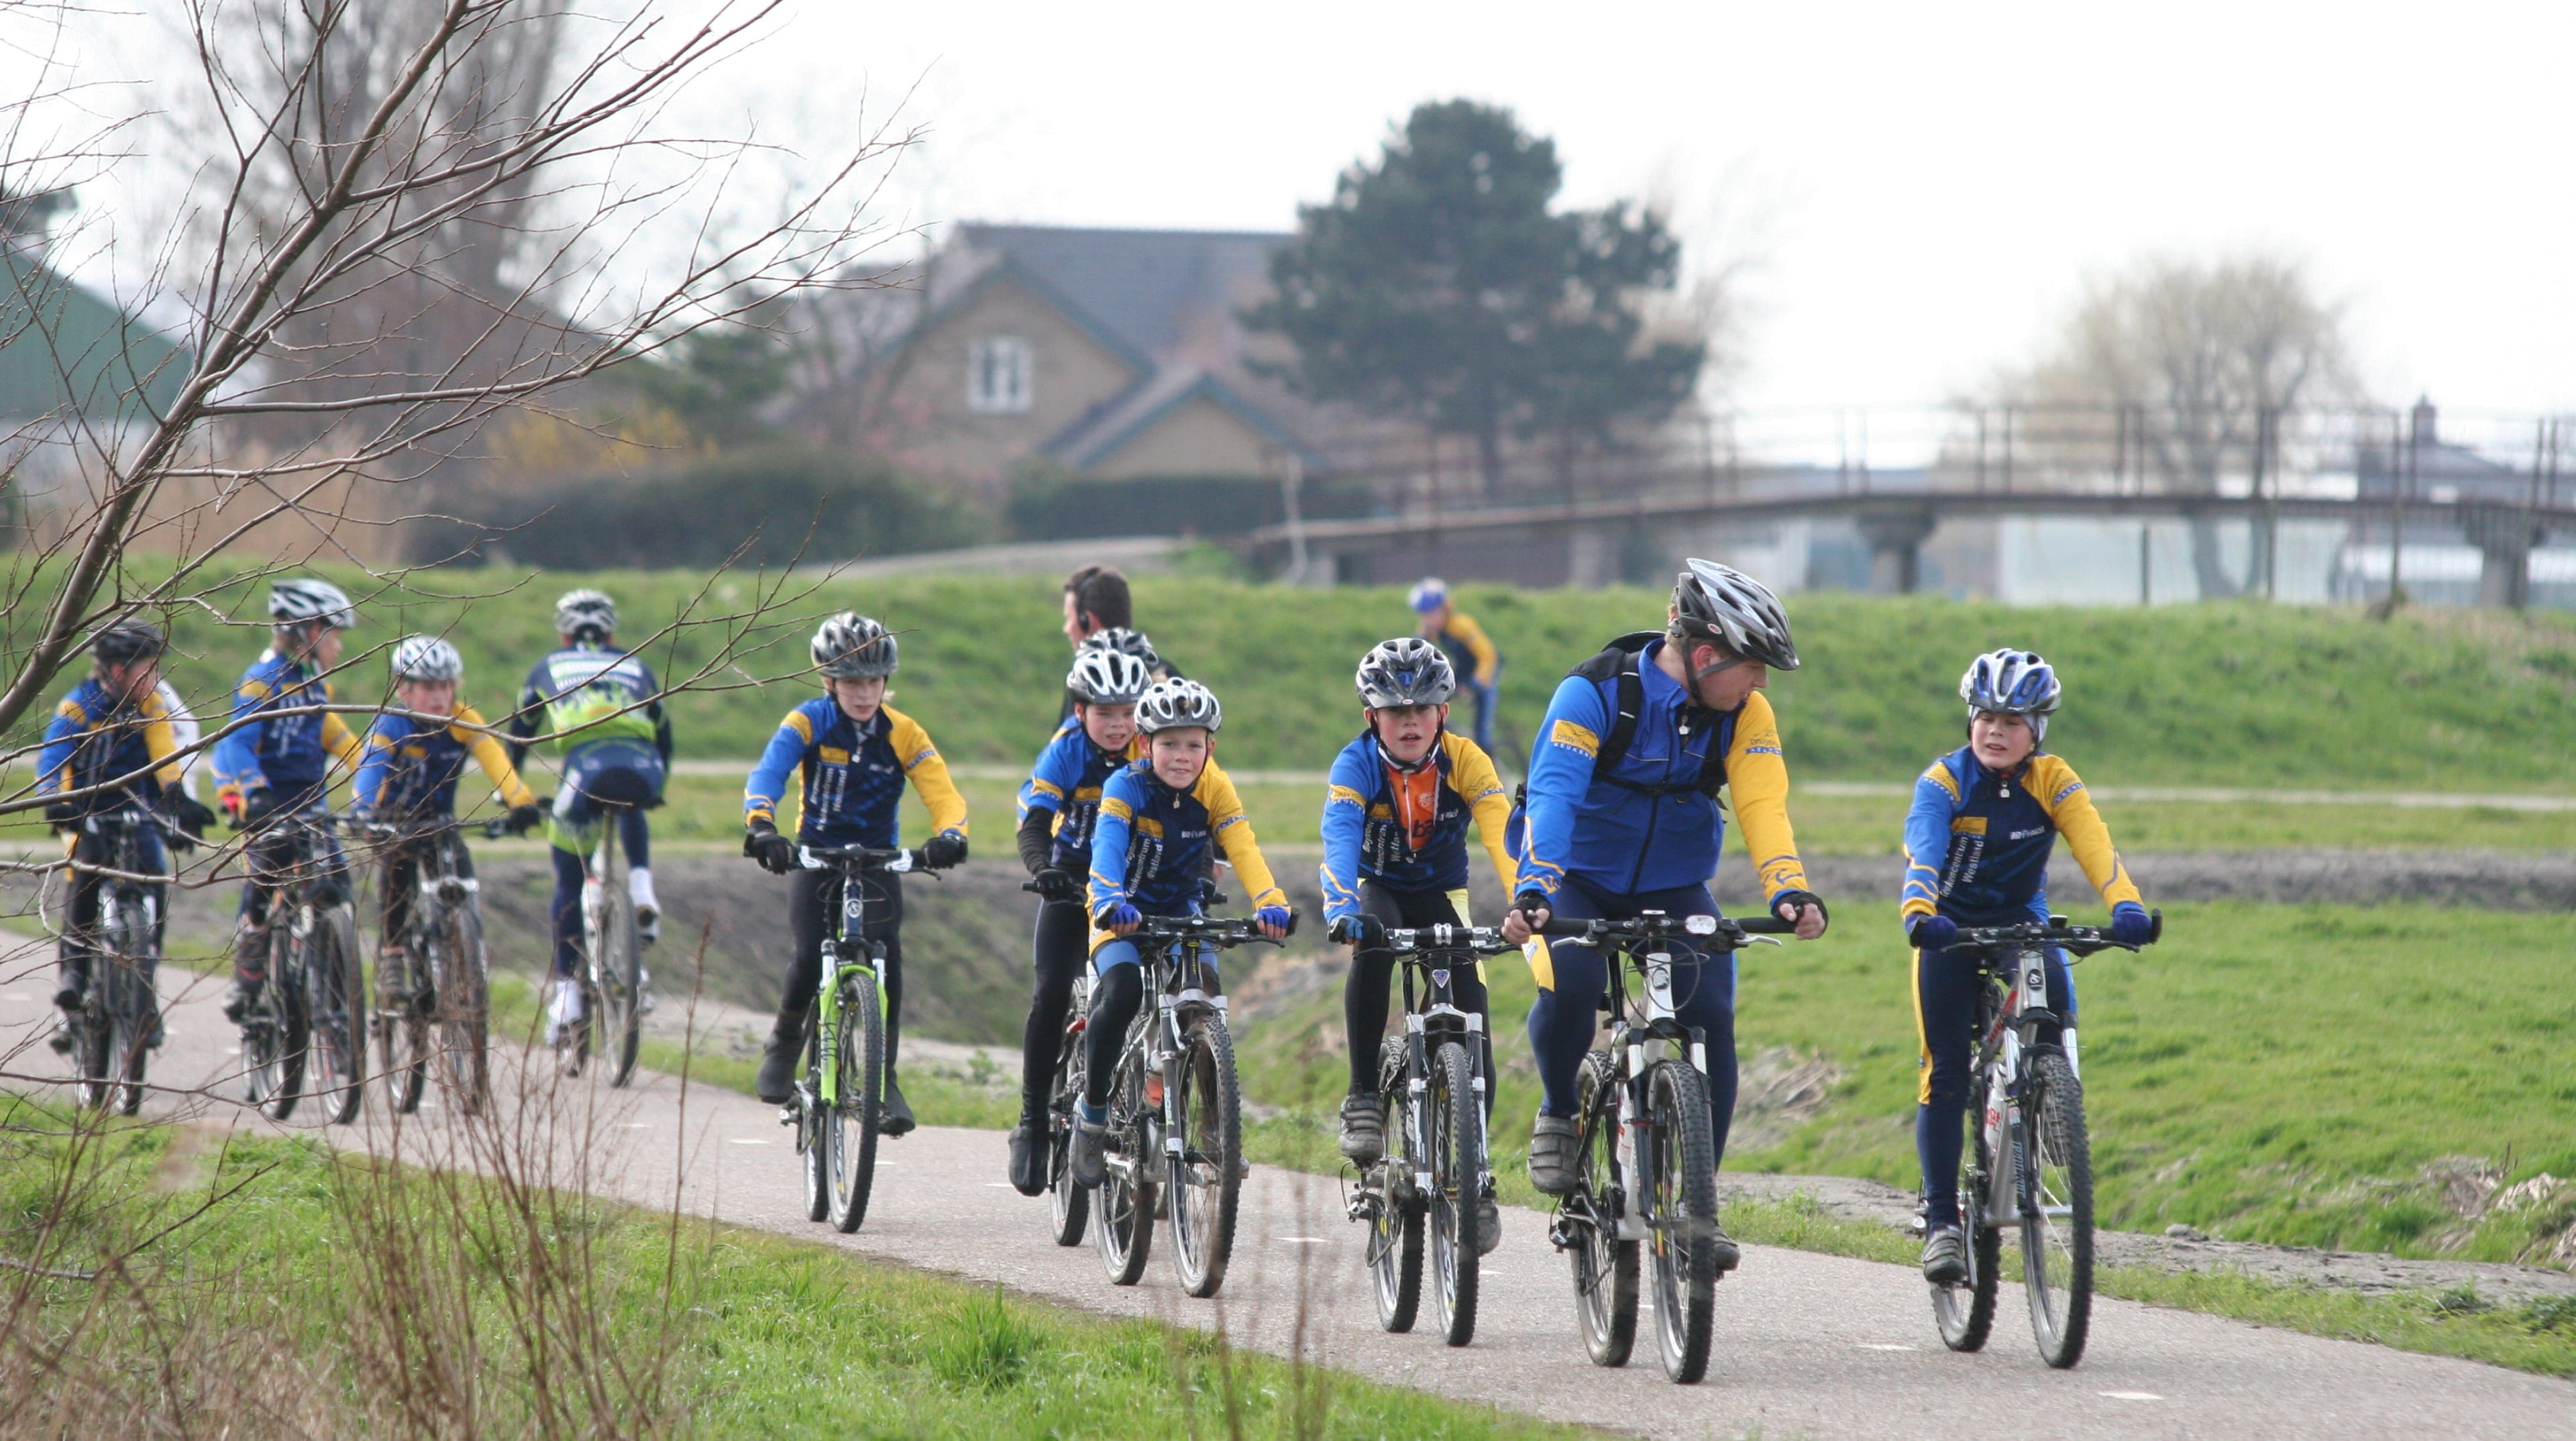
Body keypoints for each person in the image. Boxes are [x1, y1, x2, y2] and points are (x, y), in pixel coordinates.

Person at [1501, 559, 1828, 1274]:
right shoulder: (1594, 693)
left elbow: (1762, 805)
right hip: (1574, 875)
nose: (1762, 683)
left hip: (1674, 882)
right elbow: (1553, 799)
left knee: (1711, 1005)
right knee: (1574, 981)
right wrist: (1537, 889)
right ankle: (1560, 1108)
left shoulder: (1744, 713)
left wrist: (1788, 889)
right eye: (1755, 667)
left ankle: (1693, 1203)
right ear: (1707, 657)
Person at [1902, 648, 2155, 1287]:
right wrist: (1920, 908)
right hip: (1949, 926)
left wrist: (2125, 903)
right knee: (1946, 1072)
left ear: (2037, 732)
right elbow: (1924, 847)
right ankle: (1941, 1225)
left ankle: (2052, 1099)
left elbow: (2092, 839)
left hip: (2022, 917)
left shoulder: (2052, 778)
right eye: (1986, 715)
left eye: (2013, 721)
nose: (1996, 729)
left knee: (2054, 998)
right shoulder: (1944, 781)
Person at [1320, 637, 1517, 1251]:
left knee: (1475, 1031)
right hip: (1378, 890)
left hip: (1442, 894)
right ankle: (1362, 1097)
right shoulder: (1356, 765)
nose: (1409, 722)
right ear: (1370, 716)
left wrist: (1531, 900)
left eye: (1422, 709)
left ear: (1444, 713)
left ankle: (1474, 1181)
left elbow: (1504, 840)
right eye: (1395, 711)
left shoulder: (1468, 761)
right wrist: (1341, 907)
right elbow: (1340, 836)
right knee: (1372, 950)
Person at [743, 613, 969, 1134]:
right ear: (829, 682)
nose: (864, 693)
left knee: (888, 954)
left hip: (877, 859)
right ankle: (783, 1043)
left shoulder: (904, 732)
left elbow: (941, 790)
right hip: (817, 855)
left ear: (886, 681)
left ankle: (882, 1075)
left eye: (873, 681)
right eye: (851, 682)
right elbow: (769, 773)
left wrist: (951, 834)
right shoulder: (808, 722)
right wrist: (762, 826)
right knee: (807, 955)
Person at [1067, 679, 1292, 1189]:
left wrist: (1270, 902)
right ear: (1146, 746)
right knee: (1121, 992)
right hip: (1119, 911)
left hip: (1183, 909)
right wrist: (1108, 901)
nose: (1182, 756)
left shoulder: (1216, 787)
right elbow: (1106, 849)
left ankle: (1215, 1132)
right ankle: (1094, 1113)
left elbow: (1244, 849)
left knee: (1204, 1000)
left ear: (1210, 748)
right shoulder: (1126, 785)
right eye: (1169, 744)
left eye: (1194, 744)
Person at [1006, 645, 1156, 1195]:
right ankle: (1032, 1122)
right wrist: (1043, 869)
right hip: (1072, 877)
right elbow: (1036, 822)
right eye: (1104, 712)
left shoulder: (1156, 748)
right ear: (1079, 711)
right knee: (1049, 993)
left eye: (1127, 712)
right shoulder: (1065, 752)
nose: (1118, 725)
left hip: (1141, 882)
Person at [506, 588, 674, 1047]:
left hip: (583, 772)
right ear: (612, 631)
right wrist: (661, 785)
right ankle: (642, 888)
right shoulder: (636, 663)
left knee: (567, 875)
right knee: (631, 802)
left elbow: (519, 736)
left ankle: (567, 997)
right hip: (644, 767)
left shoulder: (548, 667)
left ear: (563, 634)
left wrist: (514, 797)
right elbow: (664, 732)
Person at [38, 623, 214, 1048]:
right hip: (86, 810)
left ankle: (144, 991)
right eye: (147, 669)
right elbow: (52, 761)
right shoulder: (78, 708)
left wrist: (179, 803)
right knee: (84, 876)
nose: (155, 680)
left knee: (154, 880)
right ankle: (75, 977)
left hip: (136, 810)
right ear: (118, 670)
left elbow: (165, 759)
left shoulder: (151, 706)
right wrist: (57, 802)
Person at [213, 578, 366, 1024]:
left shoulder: (315, 685)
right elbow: (234, 744)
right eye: (334, 634)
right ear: (308, 632)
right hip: (267, 804)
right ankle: (251, 961)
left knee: (338, 887)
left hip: (311, 805)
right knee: (265, 877)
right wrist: (254, 792)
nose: (339, 645)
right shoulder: (261, 682)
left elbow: (336, 736)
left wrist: (377, 771)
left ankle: (333, 988)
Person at [351, 636, 546, 965]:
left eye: (446, 685)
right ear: (404, 689)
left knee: (461, 877)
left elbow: (495, 760)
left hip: (441, 819)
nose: (440, 695)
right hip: (392, 819)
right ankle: (393, 955)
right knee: (397, 872)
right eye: (429, 687)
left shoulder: (464, 718)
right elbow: (370, 768)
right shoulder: (391, 722)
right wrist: (362, 811)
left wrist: (521, 802)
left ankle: (463, 957)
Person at [1410, 578, 1502, 753]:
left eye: (1432, 614)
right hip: (1462, 670)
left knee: (1481, 734)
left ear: (1445, 609)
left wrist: (1477, 683)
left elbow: (1488, 655)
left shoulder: (1461, 626)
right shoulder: (1426, 631)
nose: (1427, 620)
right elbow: (1416, 656)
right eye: (1423, 615)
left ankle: (1492, 773)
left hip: (1484, 670)